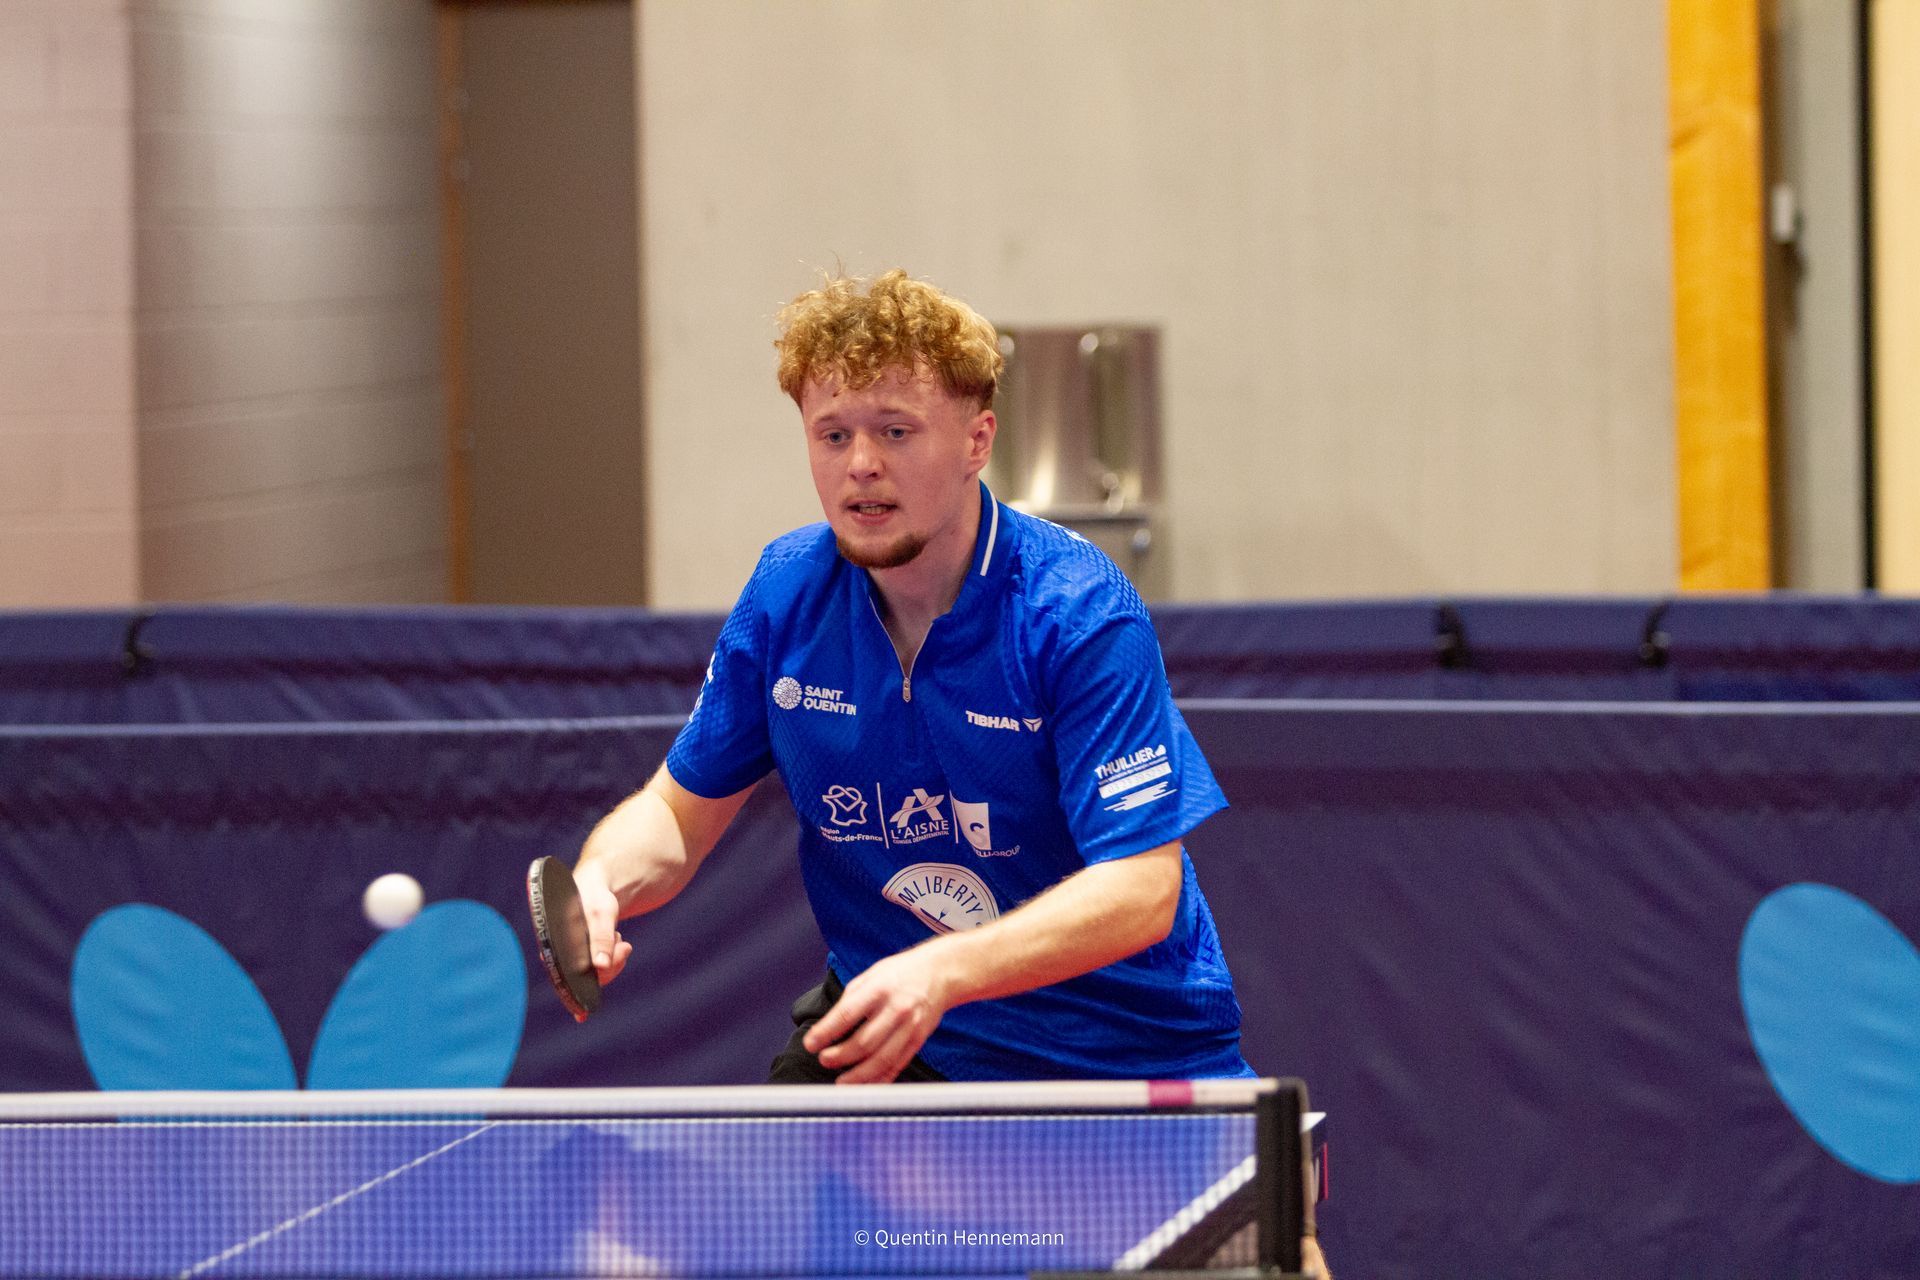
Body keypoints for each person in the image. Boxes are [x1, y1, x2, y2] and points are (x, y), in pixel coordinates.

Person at [572, 268, 1251, 1087]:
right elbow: (676, 817)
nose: (861, 465)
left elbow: (1142, 888)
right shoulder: (787, 594)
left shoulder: (1076, 612)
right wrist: (600, 882)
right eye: (833, 436)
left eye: (896, 432)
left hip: (1117, 1050)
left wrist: (945, 969)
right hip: (902, 1039)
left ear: (977, 442)